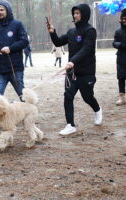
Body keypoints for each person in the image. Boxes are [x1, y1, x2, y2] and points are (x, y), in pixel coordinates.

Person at [46, 3, 102, 135]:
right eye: (74, 13)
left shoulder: (90, 31)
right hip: (72, 72)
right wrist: (53, 33)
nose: (75, 15)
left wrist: (72, 61)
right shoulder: (71, 32)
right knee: (68, 95)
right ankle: (70, 125)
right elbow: (58, 42)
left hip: (86, 72)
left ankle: (98, 110)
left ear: (84, 15)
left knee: (87, 97)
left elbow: (86, 50)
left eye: (78, 13)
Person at [0, 0, 29, 131]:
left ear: (8, 10)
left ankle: (28, 116)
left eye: (2, 10)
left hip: (15, 68)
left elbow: (24, 41)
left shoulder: (17, 25)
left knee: (23, 95)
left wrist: (10, 48)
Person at [113, 8, 126, 106]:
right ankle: (122, 98)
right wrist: (119, 45)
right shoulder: (118, 31)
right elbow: (114, 42)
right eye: (123, 18)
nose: (124, 20)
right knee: (121, 77)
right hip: (121, 57)